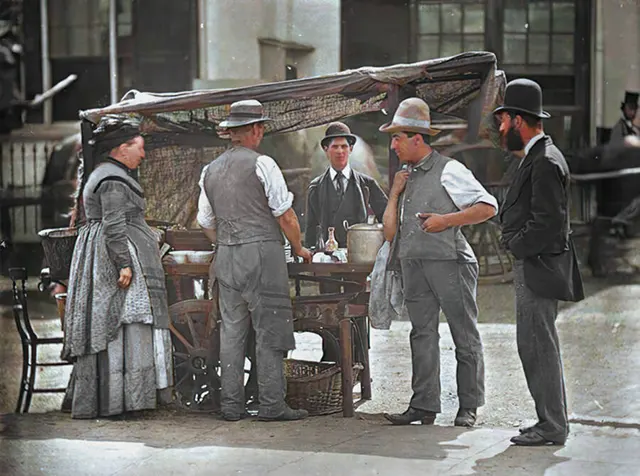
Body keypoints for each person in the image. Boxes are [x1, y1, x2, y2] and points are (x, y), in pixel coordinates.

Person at [380, 97, 498, 428]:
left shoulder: (451, 169)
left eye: (397, 138)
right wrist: (394, 193)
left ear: (417, 138)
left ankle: (468, 407)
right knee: (421, 334)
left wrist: (446, 221)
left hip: (450, 263)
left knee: (464, 333)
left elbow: (488, 207)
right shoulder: (404, 176)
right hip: (414, 264)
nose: (393, 146)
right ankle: (424, 405)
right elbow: (390, 233)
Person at [197, 99, 312, 422]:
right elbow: (286, 216)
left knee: (231, 333)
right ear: (255, 130)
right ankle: (272, 405)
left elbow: (205, 221)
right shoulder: (264, 164)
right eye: (260, 127)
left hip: (226, 258)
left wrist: (226, 242)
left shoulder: (210, 171)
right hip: (262, 256)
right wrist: (300, 248)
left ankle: (231, 406)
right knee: (269, 330)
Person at [62, 117, 173, 419]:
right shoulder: (112, 178)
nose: (143, 154)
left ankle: (120, 399)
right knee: (123, 321)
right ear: (122, 148)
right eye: (139, 147)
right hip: (112, 258)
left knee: (118, 323)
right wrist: (124, 264)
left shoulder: (107, 173)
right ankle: (122, 402)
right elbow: (114, 225)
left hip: (105, 253)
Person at [494, 78, 584, 446]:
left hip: (538, 267)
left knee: (537, 345)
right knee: (535, 344)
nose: (500, 130)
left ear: (518, 120)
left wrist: (515, 245)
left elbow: (547, 225)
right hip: (538, 265)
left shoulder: (544, 161)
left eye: (503, 122)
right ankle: (550, 420)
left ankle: (552, 424)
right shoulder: (539, 155)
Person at [305, 122, 388, 248]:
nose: (340, 151)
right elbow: (311, 227)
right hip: (327, 256)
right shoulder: (316, 187)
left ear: (351, 149)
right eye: (335, 147)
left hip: (360, 254)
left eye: (344, 146)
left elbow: (386, 217)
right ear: (326, 149)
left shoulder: (367, 184)